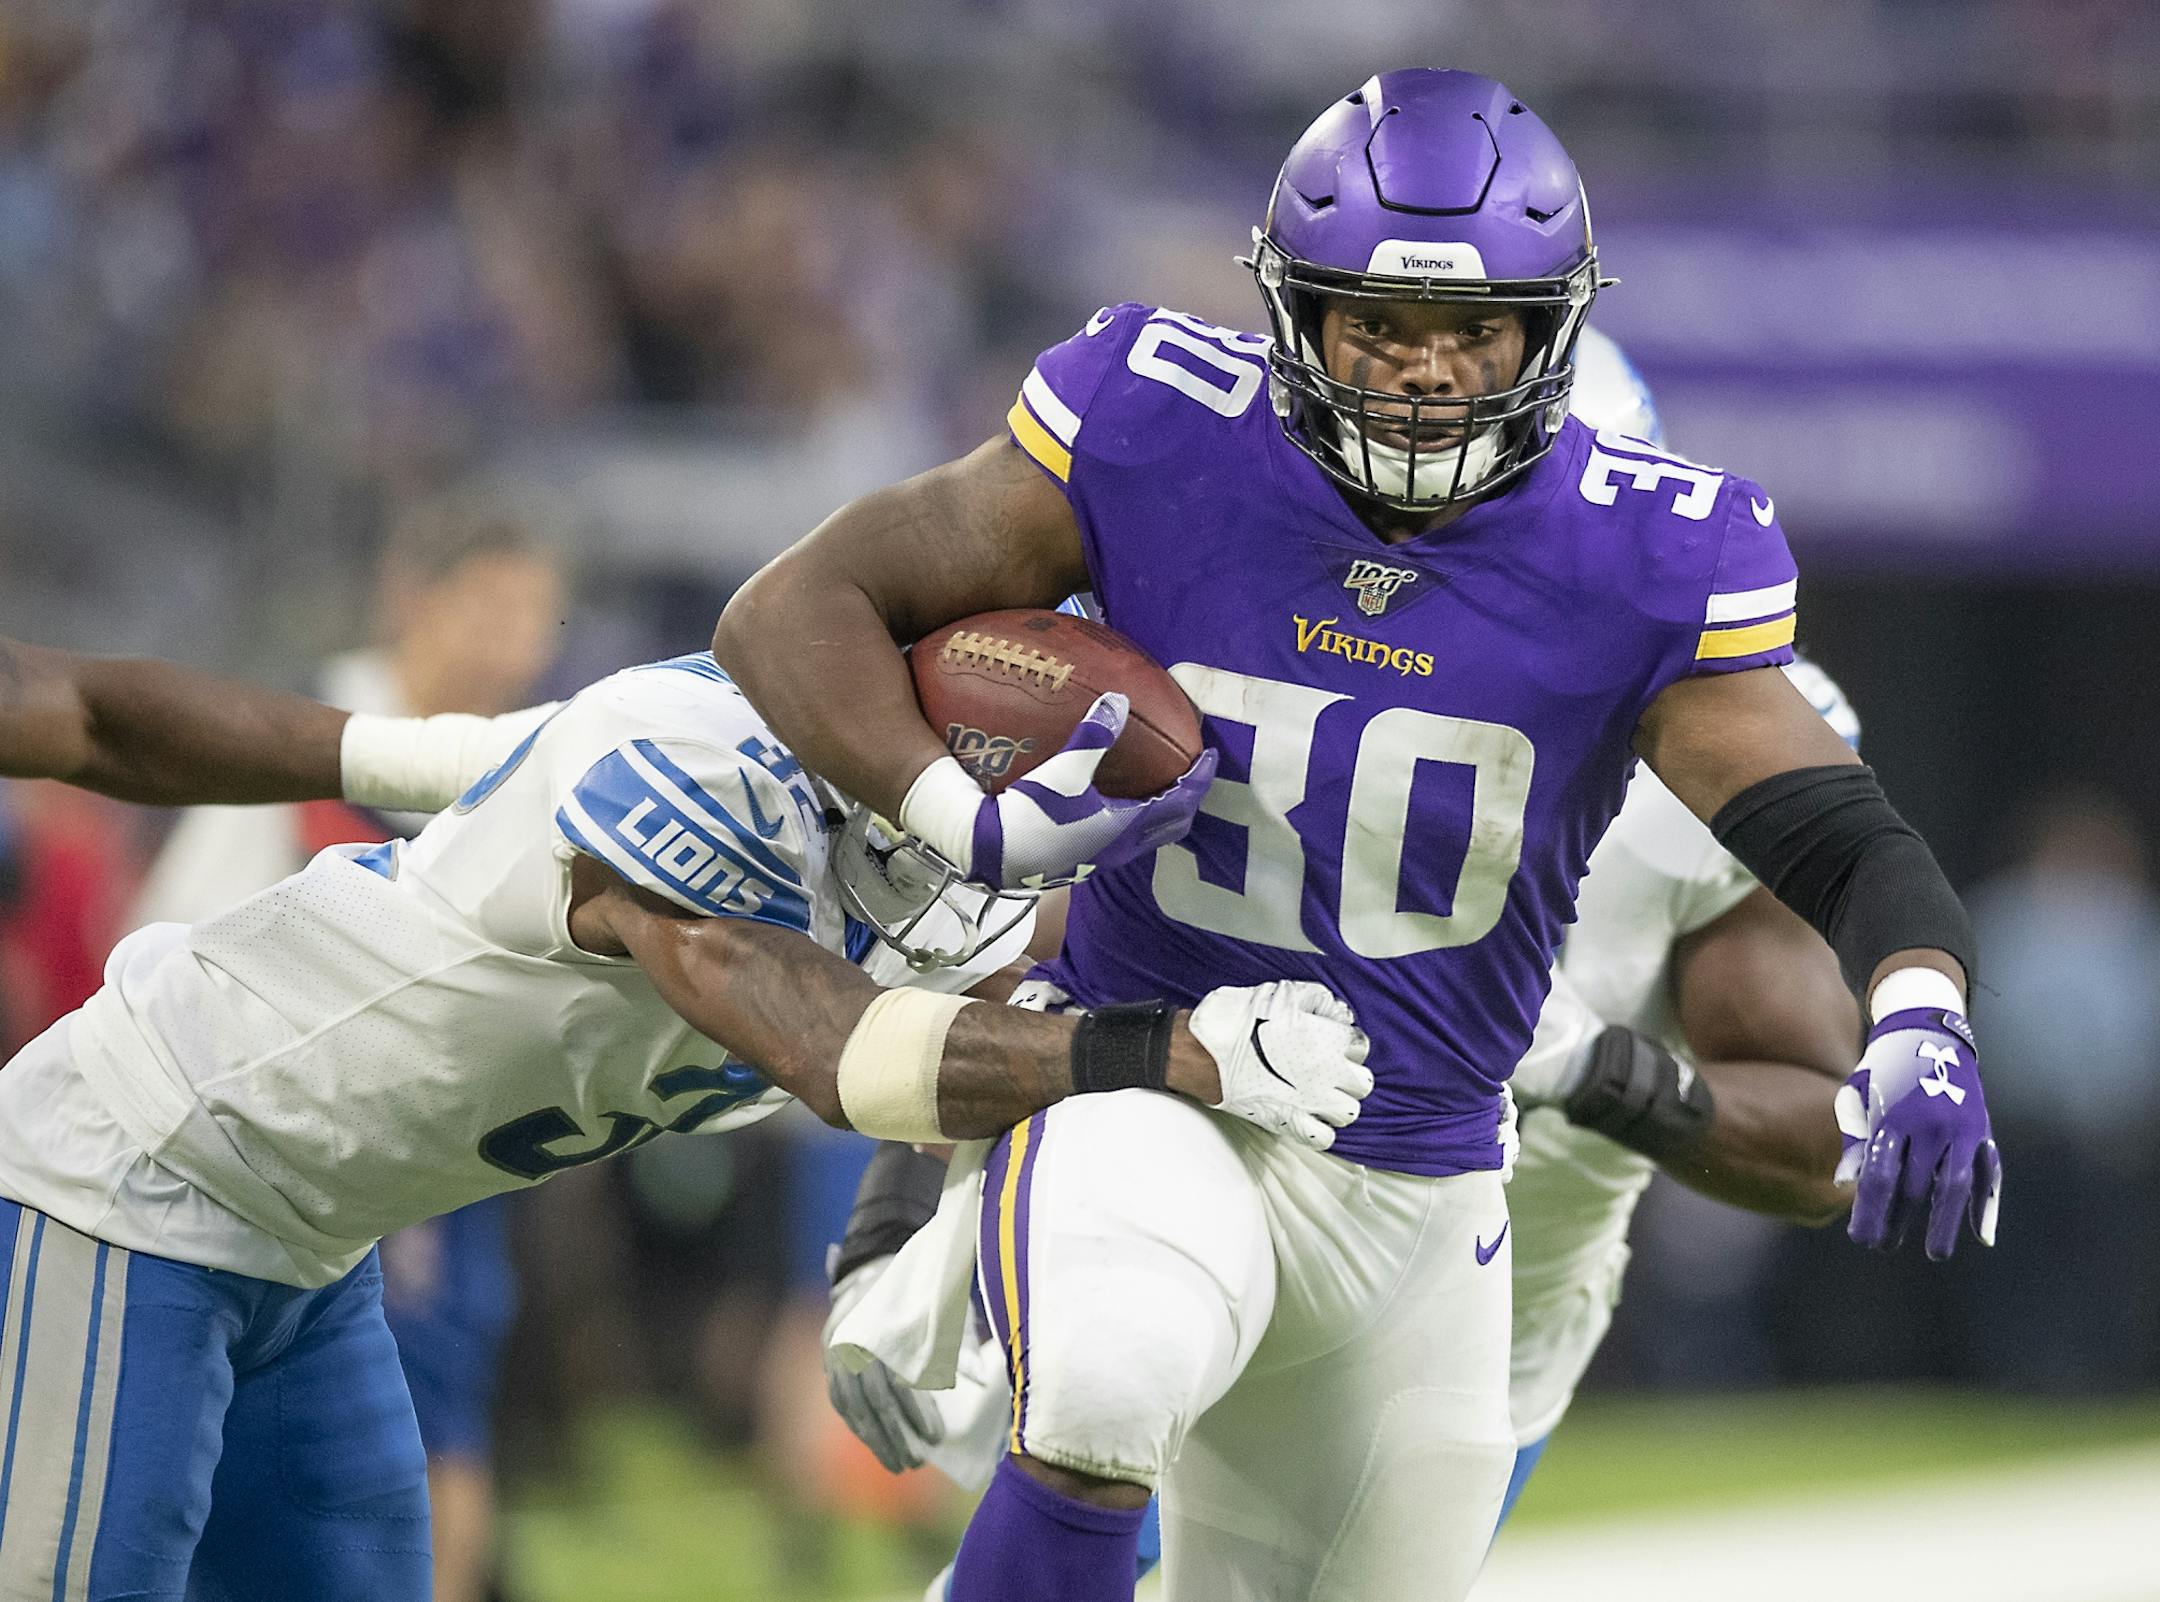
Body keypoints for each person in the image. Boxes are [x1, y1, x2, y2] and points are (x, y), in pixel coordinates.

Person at [715, 68, 1999, 1602]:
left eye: (1475, 332)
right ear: (1295, 314)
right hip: (1164, 1083)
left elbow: (1846, 843)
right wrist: (962, 828)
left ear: (1550, 337)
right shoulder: (1158, 432)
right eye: (1379, 326)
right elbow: (798, 612)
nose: (1426, 375)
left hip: (1430, 1192)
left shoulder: (1651, 563)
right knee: (1111, 1376)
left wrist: (1921, 1008)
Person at [823, 329, 1870, 1597]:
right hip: (1191, 1197)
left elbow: (1829, 1143)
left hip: (1451, 1307)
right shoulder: (1259, 638)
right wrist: (893, 1221)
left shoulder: (1719, 731)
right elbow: (1035, 956)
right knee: (1094, 1450)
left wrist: (1601, 1071)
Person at [0, 639, 1370, 1602]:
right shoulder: (691, 760)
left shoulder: (935, 883)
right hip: (140, 1171)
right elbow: (836, 1044)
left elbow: (955, 1059)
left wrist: (885, 1245)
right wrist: (1166, 1051)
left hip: (311, 1250)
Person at [126, 486, 569, 1602]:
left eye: (533, 616)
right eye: (490, 608)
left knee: (437, 1428)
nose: (512, 645)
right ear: (412, 597)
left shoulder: (526, 767)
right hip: (287, 1152)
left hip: (456, 1159)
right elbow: (171, 941)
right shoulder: (311, 740)